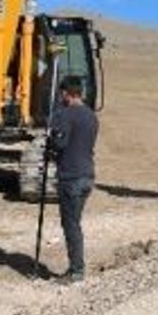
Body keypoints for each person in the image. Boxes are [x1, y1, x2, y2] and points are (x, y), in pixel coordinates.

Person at [48, 75, 99, 284]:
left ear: (65, 93)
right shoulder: (91, 115)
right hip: (87, 175)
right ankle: (76, 268)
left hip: (71, 177)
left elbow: (59, 144)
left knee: (71, 225)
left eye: (62, 93)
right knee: (74, 223)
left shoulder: (66, 115)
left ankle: (76, 271)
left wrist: (52, 137)